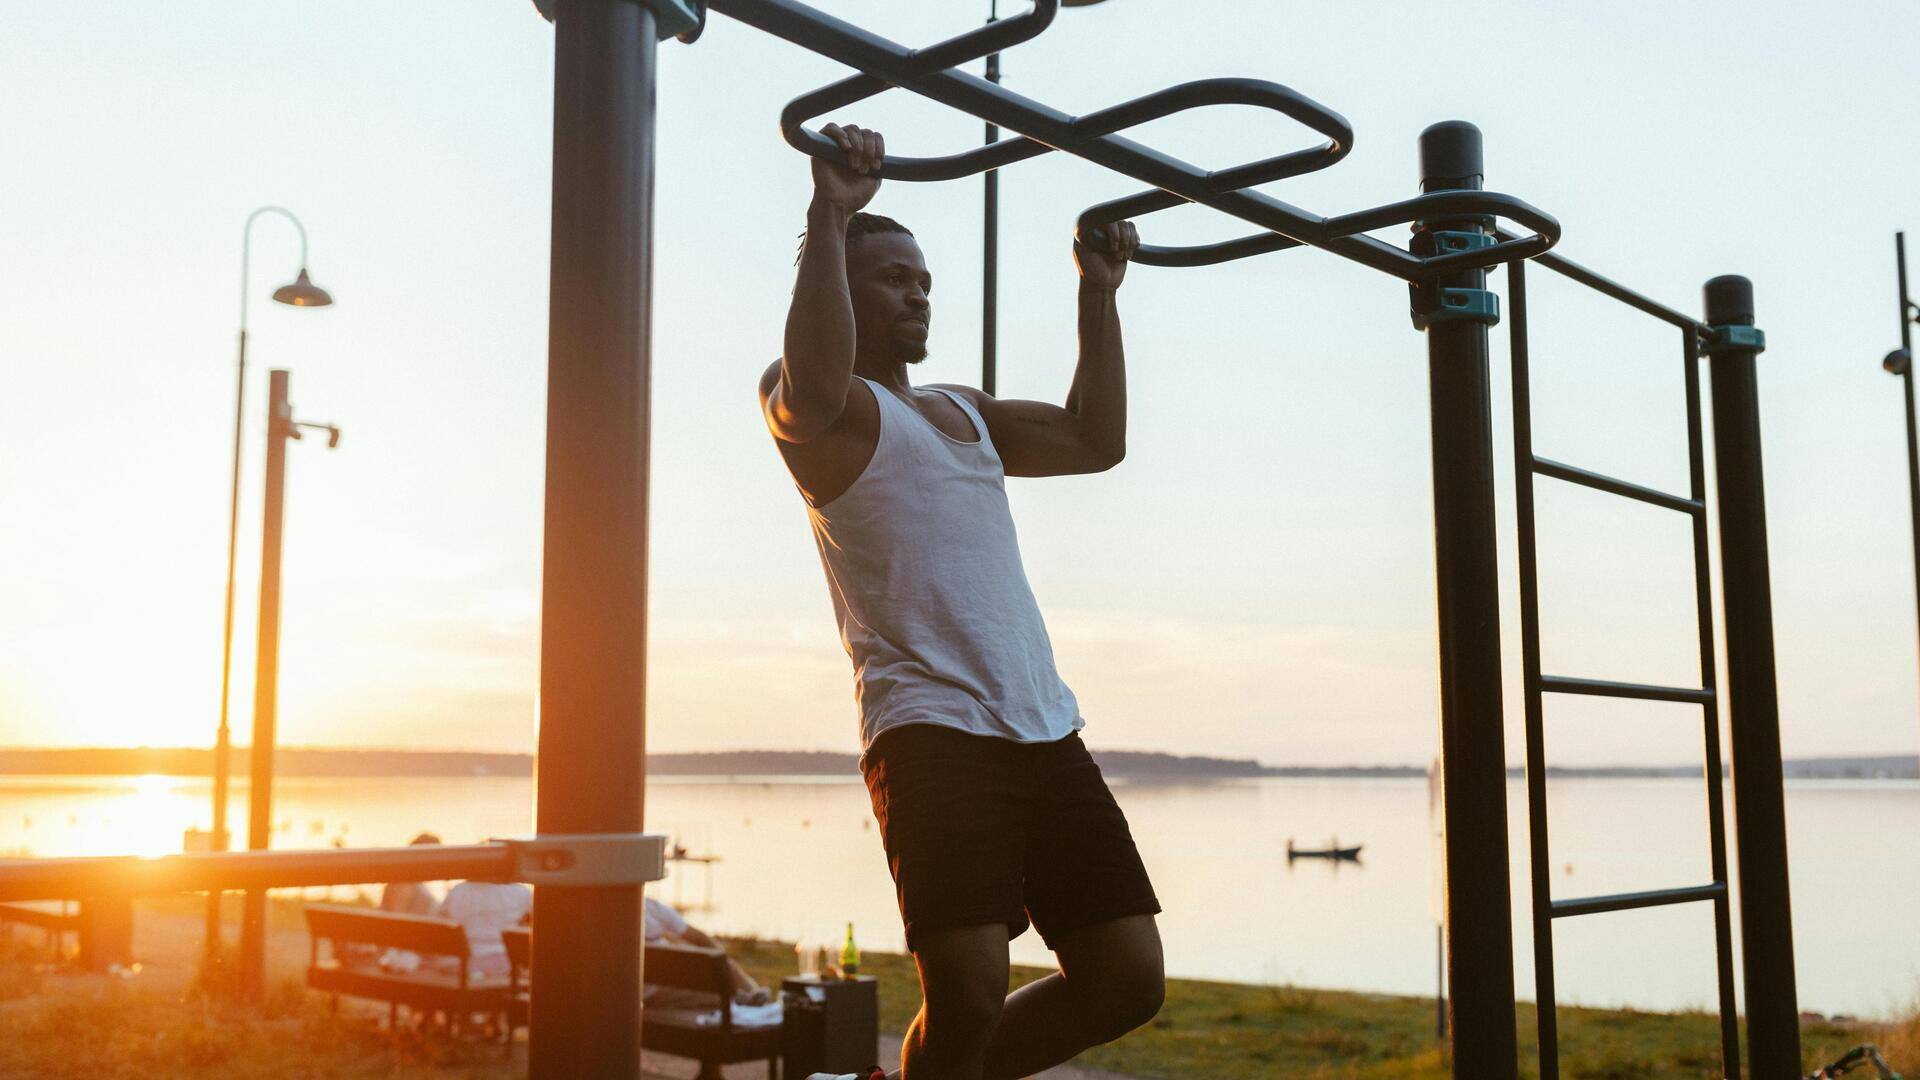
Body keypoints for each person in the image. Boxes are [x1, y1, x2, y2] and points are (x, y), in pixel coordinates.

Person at [759, 123, 1164, 1080]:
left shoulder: (963, 410)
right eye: (895, 275)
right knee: (971, 990)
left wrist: (1096, 294)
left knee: (1127, 978)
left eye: (925, 280)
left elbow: (1093, 439)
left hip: (1042, 724)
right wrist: (830, 210)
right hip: (930, 729)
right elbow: (816, 379)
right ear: (842, 286)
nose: (918, 292)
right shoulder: (817, 409)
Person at [644, 896, 770, 1007]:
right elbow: (699, 938)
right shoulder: (652, 907)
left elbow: (699, 939)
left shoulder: (626, 912)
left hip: (657, 984)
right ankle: (754, 998)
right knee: (721, 985)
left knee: (721, 970)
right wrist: (722, 961)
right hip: (651, 993)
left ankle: (750, 996)